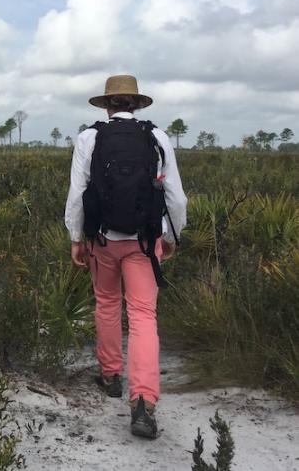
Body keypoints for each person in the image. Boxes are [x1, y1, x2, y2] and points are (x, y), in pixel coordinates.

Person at [64, 74, 187, 440]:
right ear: (136, 104)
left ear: (106, 105)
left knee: (105, 303)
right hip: (145, 244)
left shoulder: (90, 137)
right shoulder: (157, 137)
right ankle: (144, 403)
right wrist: (171, 235)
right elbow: (176, 197)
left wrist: (75, 237)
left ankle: (111, 375)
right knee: (143, 315)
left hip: (102, 240)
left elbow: (78, 191)